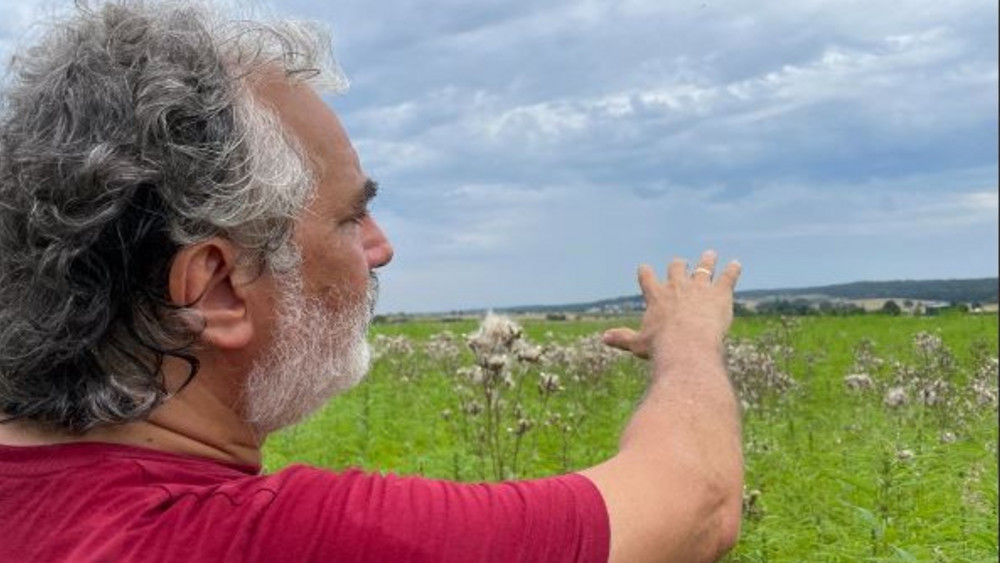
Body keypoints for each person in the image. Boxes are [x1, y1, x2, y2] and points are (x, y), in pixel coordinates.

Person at [0, 2, 744, 561]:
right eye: (351, 219)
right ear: (215, 288)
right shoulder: (273, 539)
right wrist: (689, 337)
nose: (380, 250)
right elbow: (698, 502)